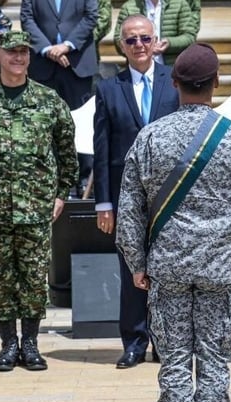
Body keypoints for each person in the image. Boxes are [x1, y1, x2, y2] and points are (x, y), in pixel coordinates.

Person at [116, 43, 231, 402]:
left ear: (174, 82)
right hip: (220, 272)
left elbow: (129, 207)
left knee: (174, 362)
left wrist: (136, 261)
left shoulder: (150, 137)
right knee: (215, 362)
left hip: (167, 271)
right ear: (216, 83)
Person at [0, 30, 79, 372]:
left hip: (36, 207)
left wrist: (61, 193)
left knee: (34, 277)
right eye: (11, 53)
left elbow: (67, 151)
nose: (18, 58)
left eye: (23, 52)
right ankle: (8, 344)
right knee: (0, 278)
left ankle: (32, 343)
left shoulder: (49, 100)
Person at [93, 14, 179, 369]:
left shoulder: (174, 82)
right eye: (131, 40)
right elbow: (102, 150)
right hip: (125, 197)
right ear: (122, 46)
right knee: (131, 270)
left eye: (145, 38)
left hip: (170, 196)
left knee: (167, 271)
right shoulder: (108, 88)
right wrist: (103, 203)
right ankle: (133, 340)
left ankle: (164, 340)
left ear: (155, 39)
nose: (139, 46)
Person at [20, 0, 98, 110]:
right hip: (43, 66)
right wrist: (47, 49)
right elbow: (27, 19)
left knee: (79, 120)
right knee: (43, 118)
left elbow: (91, 16)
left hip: (77, 65)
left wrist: (68, 45)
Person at [113, 0, 199, 67]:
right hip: (138, 71)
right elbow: (118, 39)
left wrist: (169, 43)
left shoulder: (180, 4)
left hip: (171, 70)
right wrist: (136, 45)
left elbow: (189, 36)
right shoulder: (129, 7)